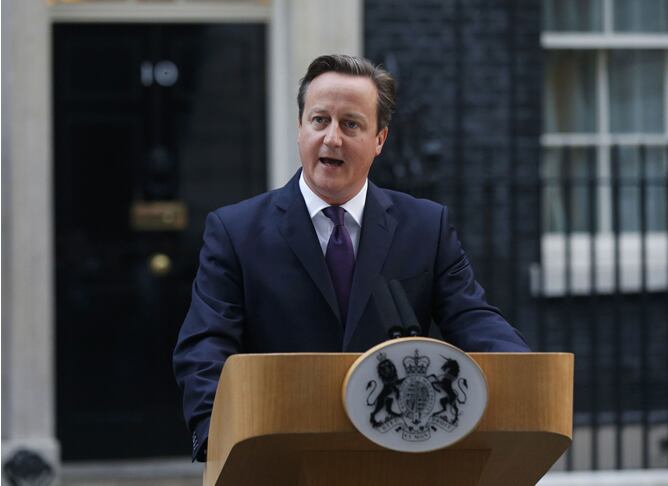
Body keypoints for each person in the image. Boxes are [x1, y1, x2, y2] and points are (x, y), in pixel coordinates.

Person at [173, 54, 530, 462]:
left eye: (351, 124)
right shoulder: (234, 231)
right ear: (300, 128)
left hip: (393, 458)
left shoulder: (426, 226)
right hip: (279, 456)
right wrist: (216, 434)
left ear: (380, 139)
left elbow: (472, 317)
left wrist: (526, 375)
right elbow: (206, 344)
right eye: (319, 120)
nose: (332, 138)